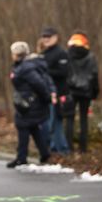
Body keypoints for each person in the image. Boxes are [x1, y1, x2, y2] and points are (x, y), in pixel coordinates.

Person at [7, 41, 52, 168]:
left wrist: (46, 98)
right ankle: (44, 154)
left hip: (30, 104)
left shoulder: (26, 68)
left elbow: (39, 84)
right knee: (32, 128)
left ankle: (22, 158)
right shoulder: (21, 66)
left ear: (17, 54)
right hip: (26, 103)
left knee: (23, 126)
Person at [39, 26, 72, 154]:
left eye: (49, 37)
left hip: (58, 93)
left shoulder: (61, 53)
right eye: (44, 37)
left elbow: (64, 72)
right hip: (46, 94)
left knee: (54, 123)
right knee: (50, 123)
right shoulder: (43, 54)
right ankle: (55, 149)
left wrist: (45, 71)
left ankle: (62, 150)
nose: (46, 39)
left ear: (56, 37)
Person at [65, 31, 99, 153]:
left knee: (70, 119)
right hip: (86, 92)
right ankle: (83, 148)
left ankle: (69, 148)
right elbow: (94, 76)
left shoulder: (67, 55)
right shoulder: (91, 56)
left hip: (71, 91)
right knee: (83, 119)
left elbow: (65, 74)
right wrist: (95, 93)